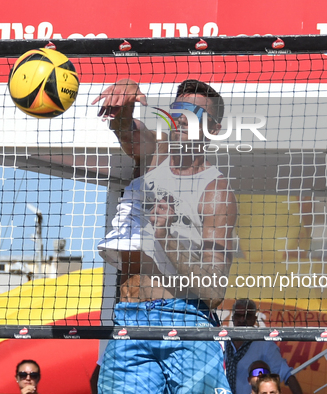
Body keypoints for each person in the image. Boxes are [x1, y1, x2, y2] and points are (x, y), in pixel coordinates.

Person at [92, 79, 238, 393]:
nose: (184, 118)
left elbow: (213, 290)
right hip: (130, 321)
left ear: (212, 127)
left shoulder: (216, 191)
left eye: (196, 113)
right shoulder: (154, 153)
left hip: (187, 322)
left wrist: (166, 236)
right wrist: (126, 98)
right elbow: (125, 130)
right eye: (179, 110)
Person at [225, 299, 303, 394]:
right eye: (238, 315)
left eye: (247, 316)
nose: (242, 319)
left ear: (254, 319)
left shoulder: (264, 344)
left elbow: (287, 375)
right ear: (233, 318)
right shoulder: (223, 341)